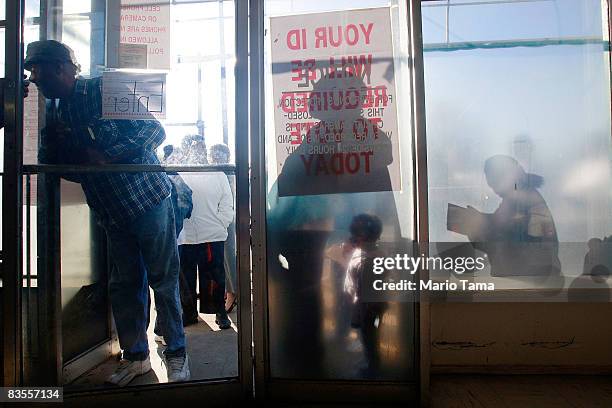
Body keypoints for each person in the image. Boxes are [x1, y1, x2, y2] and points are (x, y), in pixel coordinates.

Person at [25, 39, 189, 386]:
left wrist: (106, 156)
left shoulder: (103, 89)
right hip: (111, 211)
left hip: (148, 201)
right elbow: (62, 164)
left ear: (60, 67)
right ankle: (137, 356)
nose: (34, 80)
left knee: (163, 279)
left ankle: (176, 353)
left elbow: (153, 130)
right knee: (124, 285)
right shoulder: (55, 110)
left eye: (37, 71)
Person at [463, 155, 560, 276]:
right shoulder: (518, 197)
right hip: (528, 280)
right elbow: (500, 228)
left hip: (526, 282)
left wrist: (475, 227)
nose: (494, 190)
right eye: (491, 185)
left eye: (495, 183)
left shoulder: (519, 200)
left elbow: (503, 241)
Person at [177, 136, 234, 329]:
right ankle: (189, 313)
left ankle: (219, 311)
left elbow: (227, 204)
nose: (197, 151)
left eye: (200, 147)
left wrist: (221, 224)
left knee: (215, 277)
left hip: (211, 234)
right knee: (187, 277)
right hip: (187, 235)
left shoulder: (217, 174)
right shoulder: (180, 173)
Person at [343, 214, 387, 378]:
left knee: (370, 338)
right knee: (368, 336)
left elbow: (366, 289)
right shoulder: (371, 254)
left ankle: (373, 367)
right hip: (369, 305)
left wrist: (363, 310)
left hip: (369, 307)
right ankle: (371, 362)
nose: (353, 239)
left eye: (357, 235)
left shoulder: (370, 260)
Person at [208, 143, 238, 312]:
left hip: (226, 220)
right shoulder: (227, 172)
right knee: (226, 257)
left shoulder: (226, 173)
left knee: (228, 257)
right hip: (225, 219)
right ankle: (231, 290)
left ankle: (232, 292)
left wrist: (221, 220)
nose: (214, 159)